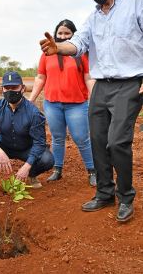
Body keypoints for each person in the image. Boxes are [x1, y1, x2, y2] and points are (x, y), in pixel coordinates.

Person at [40, 0, 143, 222]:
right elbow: (79, 42)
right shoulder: (93, 17)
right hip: (101, 85)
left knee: (117, 141)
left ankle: (125, 196)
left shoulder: (136, 4)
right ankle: (105, 193)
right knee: (97, 141)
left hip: (129, 83)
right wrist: (59, 48)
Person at [29, 19, 96, 186]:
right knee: (57, 138)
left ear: (73, 34)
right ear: (55, 34)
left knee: (82, 138)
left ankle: (92, 171)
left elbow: (88, 77)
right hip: (52, 105)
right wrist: (30, 100)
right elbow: (40, 77)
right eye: (60, 33)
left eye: (67, 33)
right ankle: (57, 170)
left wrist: (95, 98)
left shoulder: (81, 54)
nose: (63, 36)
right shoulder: (46, 54)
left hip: (77, 104)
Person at [0, 71, 54, 198]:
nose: (10, 91)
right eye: (7, 88)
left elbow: (39, 143)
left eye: (14, 87)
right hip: (4, 146)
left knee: (47, 160)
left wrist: (27, 166)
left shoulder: (33, 113)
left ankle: (31, 174)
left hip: (26, 148)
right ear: (2, 89)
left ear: (22, 88)